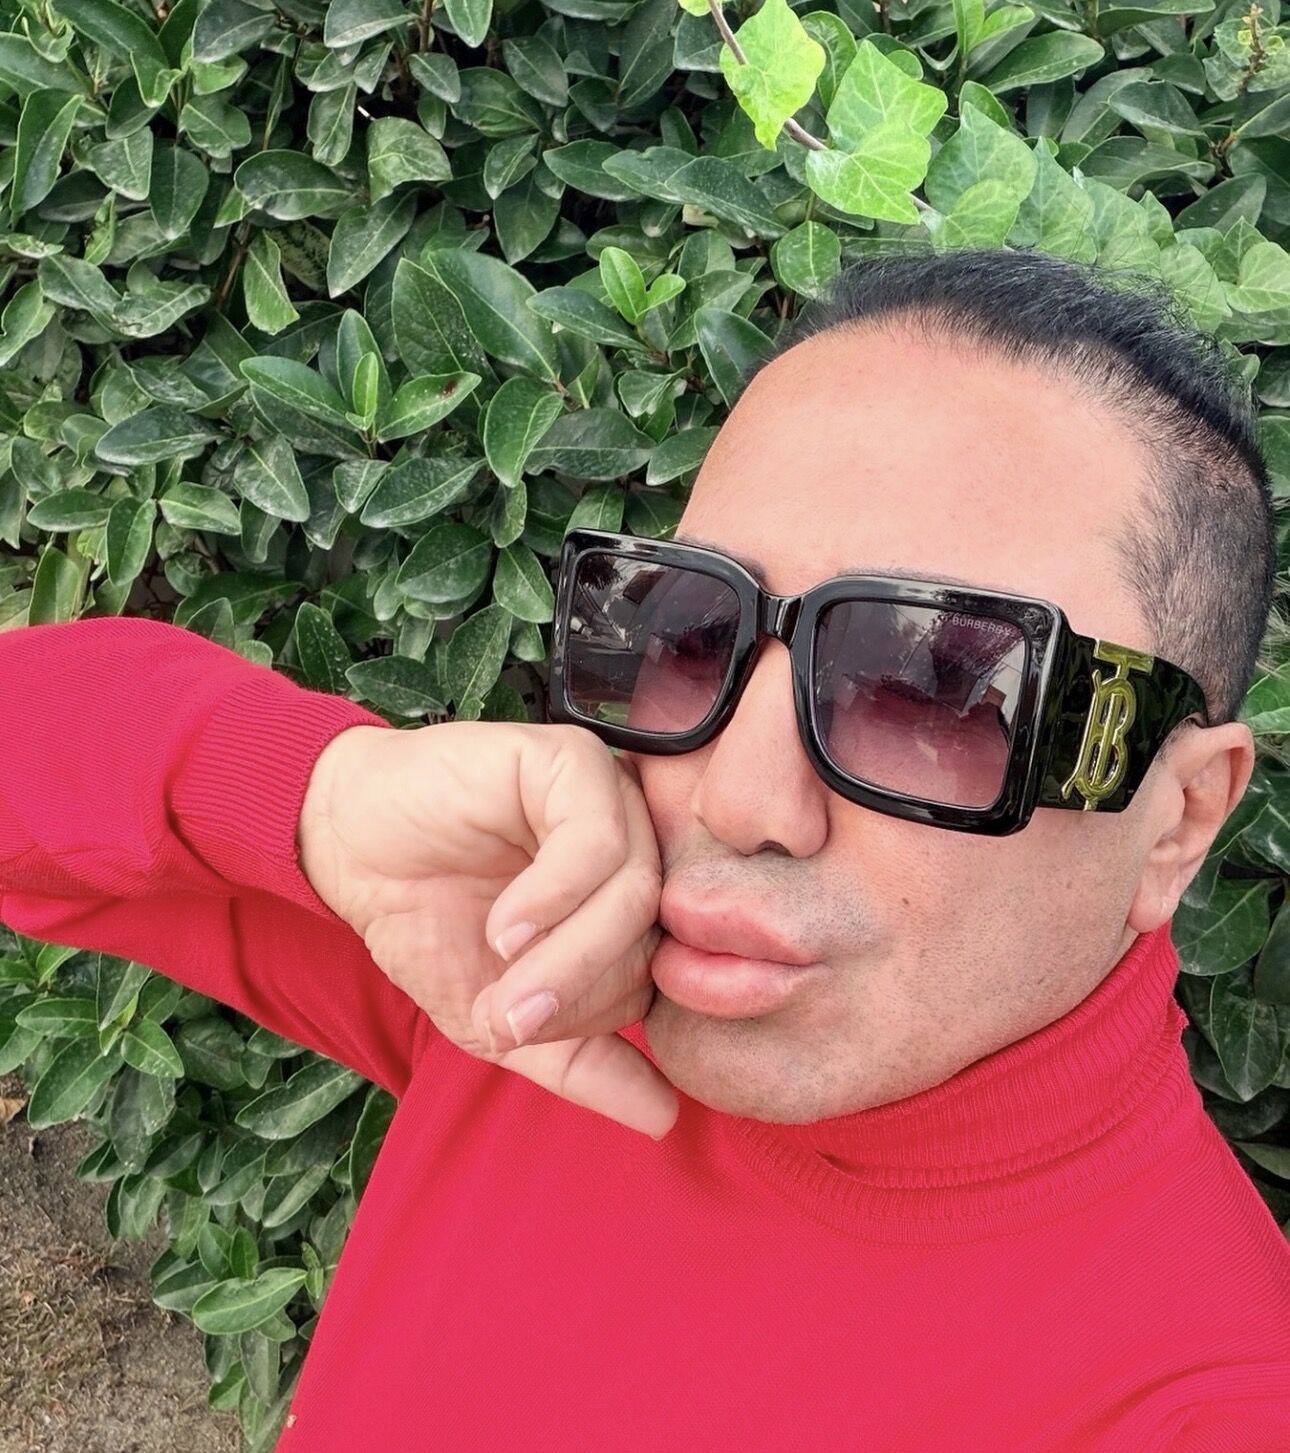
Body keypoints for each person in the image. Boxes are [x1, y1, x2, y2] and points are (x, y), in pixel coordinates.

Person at [3, 248, 1289, 1452]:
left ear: (1177, 815)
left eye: (937, 691)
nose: (736, 797)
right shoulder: (548, 983)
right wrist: (316, 793)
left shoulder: (1200, 1400)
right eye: (688, 629)